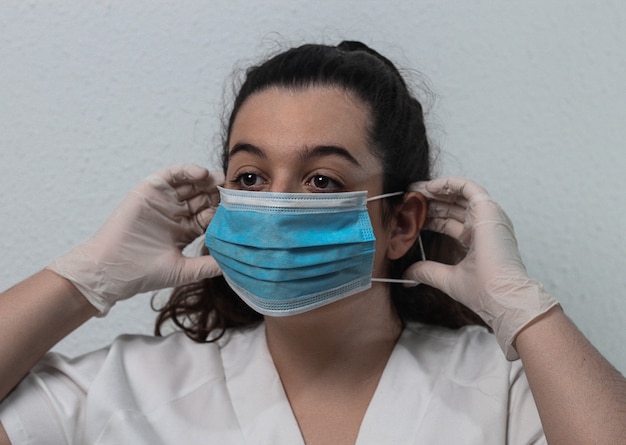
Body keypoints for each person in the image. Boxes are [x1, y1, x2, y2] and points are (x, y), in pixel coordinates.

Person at [0, 41, 624, 445]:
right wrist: (86, 278)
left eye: (321, 180)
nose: (274, 205)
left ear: (401, 222)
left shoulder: (507, 390)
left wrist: (525, 311)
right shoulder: (124, 390)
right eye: (249, 177)